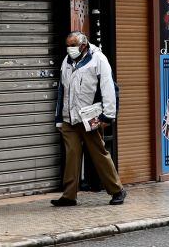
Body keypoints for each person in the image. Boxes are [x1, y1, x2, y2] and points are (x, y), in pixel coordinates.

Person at [52, 31, 126, 207]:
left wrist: (108, 116)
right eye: (68, 46)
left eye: (73, 46)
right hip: (69, 118)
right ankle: (69, 196)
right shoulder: (66, 62)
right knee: (71, 156)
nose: (70, 49)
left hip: (89, 118)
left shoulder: (98, 60)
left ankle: (117, 190)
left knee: (99, 153)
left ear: (83, 45)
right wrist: (59, 118)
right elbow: (62, 90)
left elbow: (109, 89)